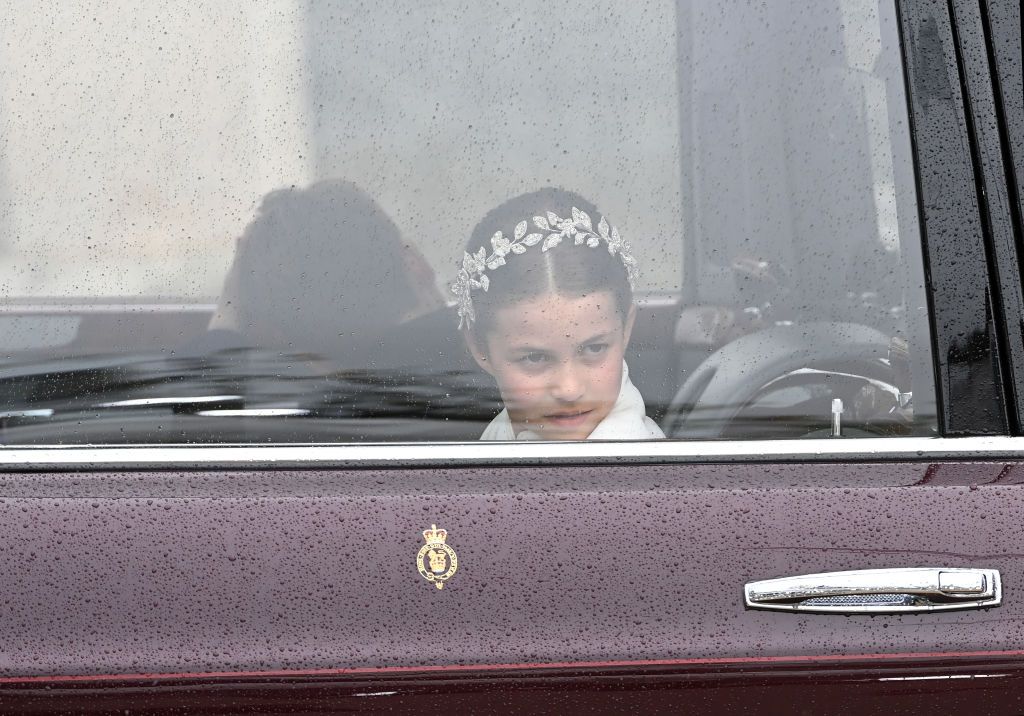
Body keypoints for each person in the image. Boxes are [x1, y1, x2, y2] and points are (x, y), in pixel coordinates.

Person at [453, 189, 664, 441]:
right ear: (480, 348)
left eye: (594, 348)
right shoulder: (505, 431)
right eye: (534, 357)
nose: (569, 389)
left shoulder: (627, 465)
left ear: (626, 328)